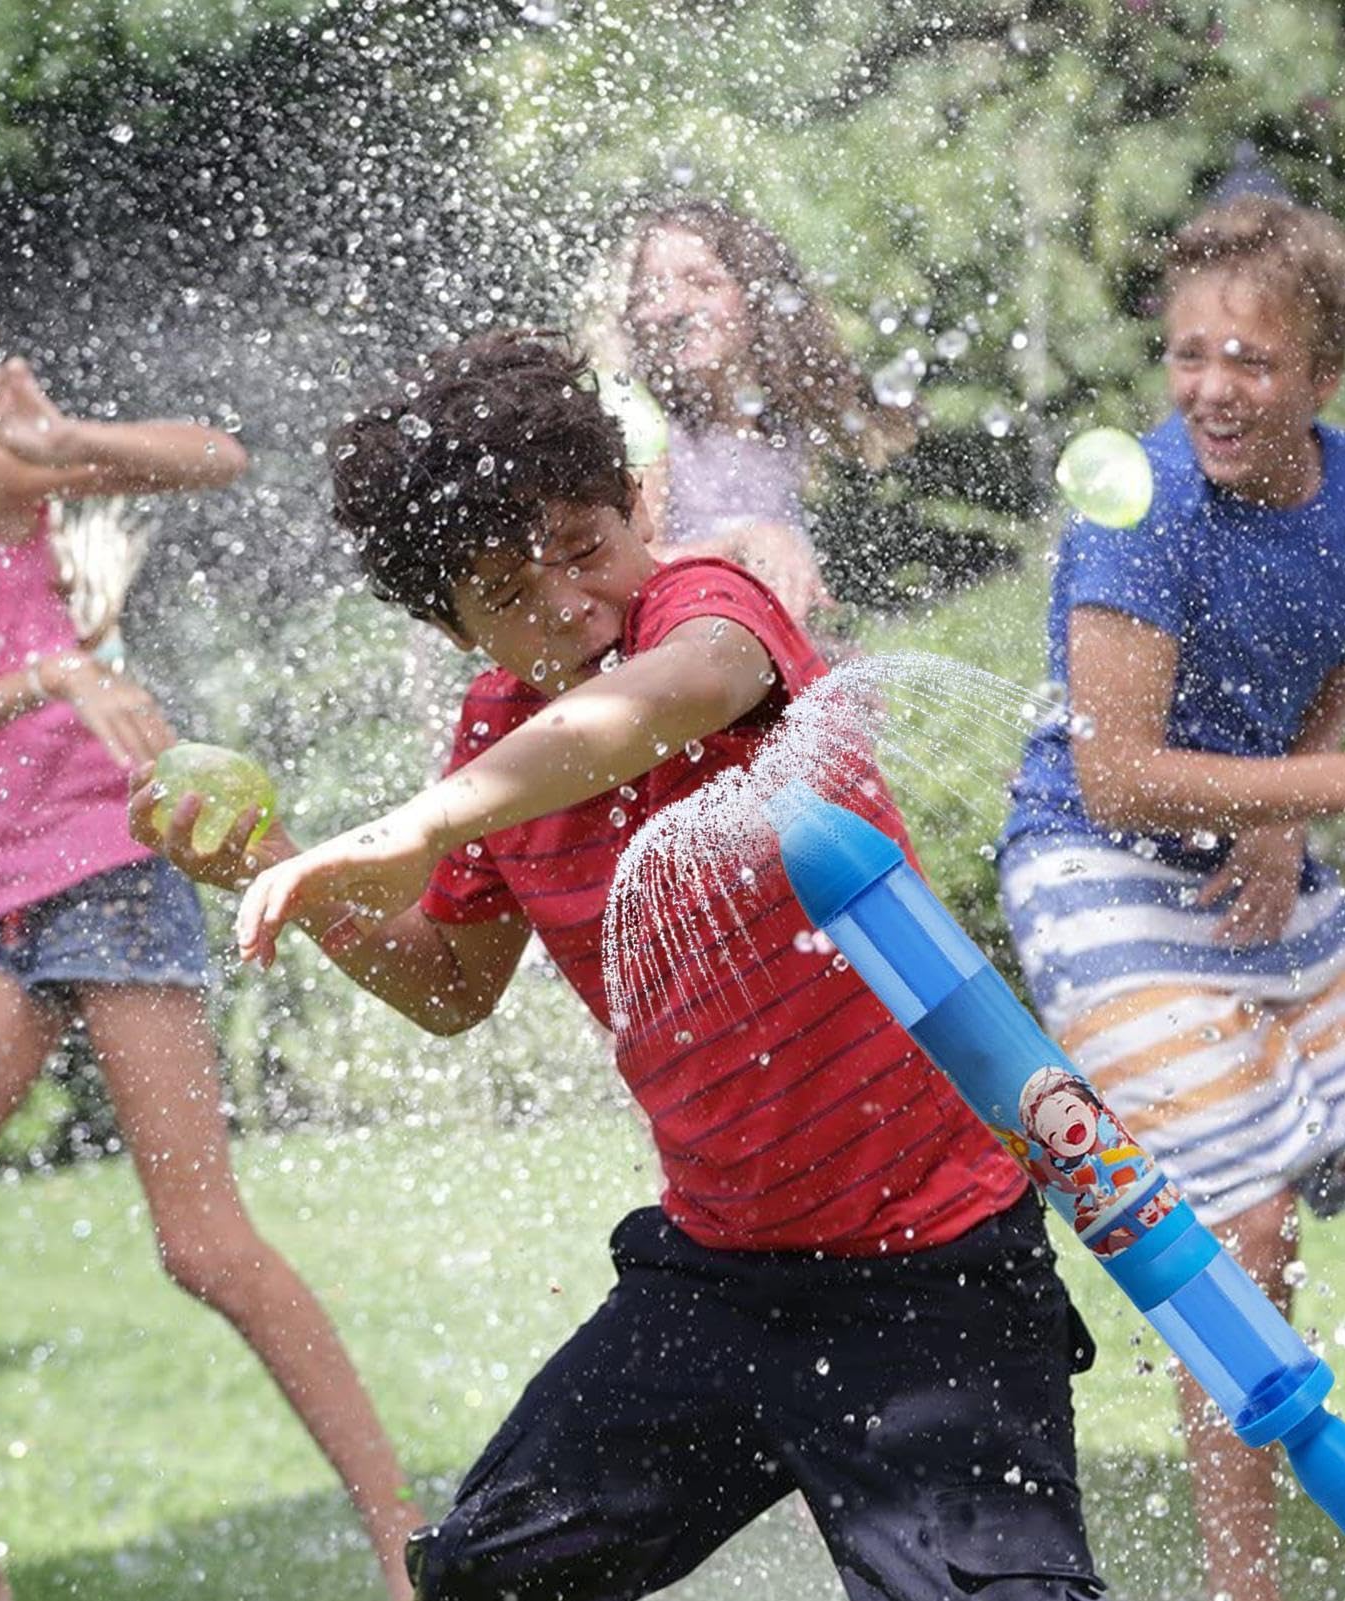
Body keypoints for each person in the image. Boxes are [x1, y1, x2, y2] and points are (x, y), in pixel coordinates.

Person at [135, 329, 1105, 1601]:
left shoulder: (708, 606)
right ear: (449, 621)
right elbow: (447, 986)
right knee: (479, 1576)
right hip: (719, 1279)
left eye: (585, 548)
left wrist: (417, 827)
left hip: (929, 1268)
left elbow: (658, 700)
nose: (570, 602)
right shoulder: (494, 738)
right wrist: (289, 869)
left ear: (637, 508)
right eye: (504, 587)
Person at [0, 290, 419, 1601]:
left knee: (202, 1246)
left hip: (107, 866)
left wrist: (57, 439)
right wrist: (47, 676)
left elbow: (215, 457)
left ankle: (404, 1543)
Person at [997, 197, 1345, 1601]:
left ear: (1319, 375)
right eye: (1188, 355)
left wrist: (1300, 789)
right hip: (1099, 865)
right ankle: (1239, 1587)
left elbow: (1327, 671)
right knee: (1242, 1227)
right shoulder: (1136, 506)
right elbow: (1119, 778)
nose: (1210, 391)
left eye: (1250, 361)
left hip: (1250, 834)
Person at [615, 199, 916, 622]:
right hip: (688, 650)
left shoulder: (779, 427)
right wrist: (743, 544)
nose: (676, 308)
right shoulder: (651, 430)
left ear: (758, 301)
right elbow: (630, 574)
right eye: (653, 292)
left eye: (703, 284)